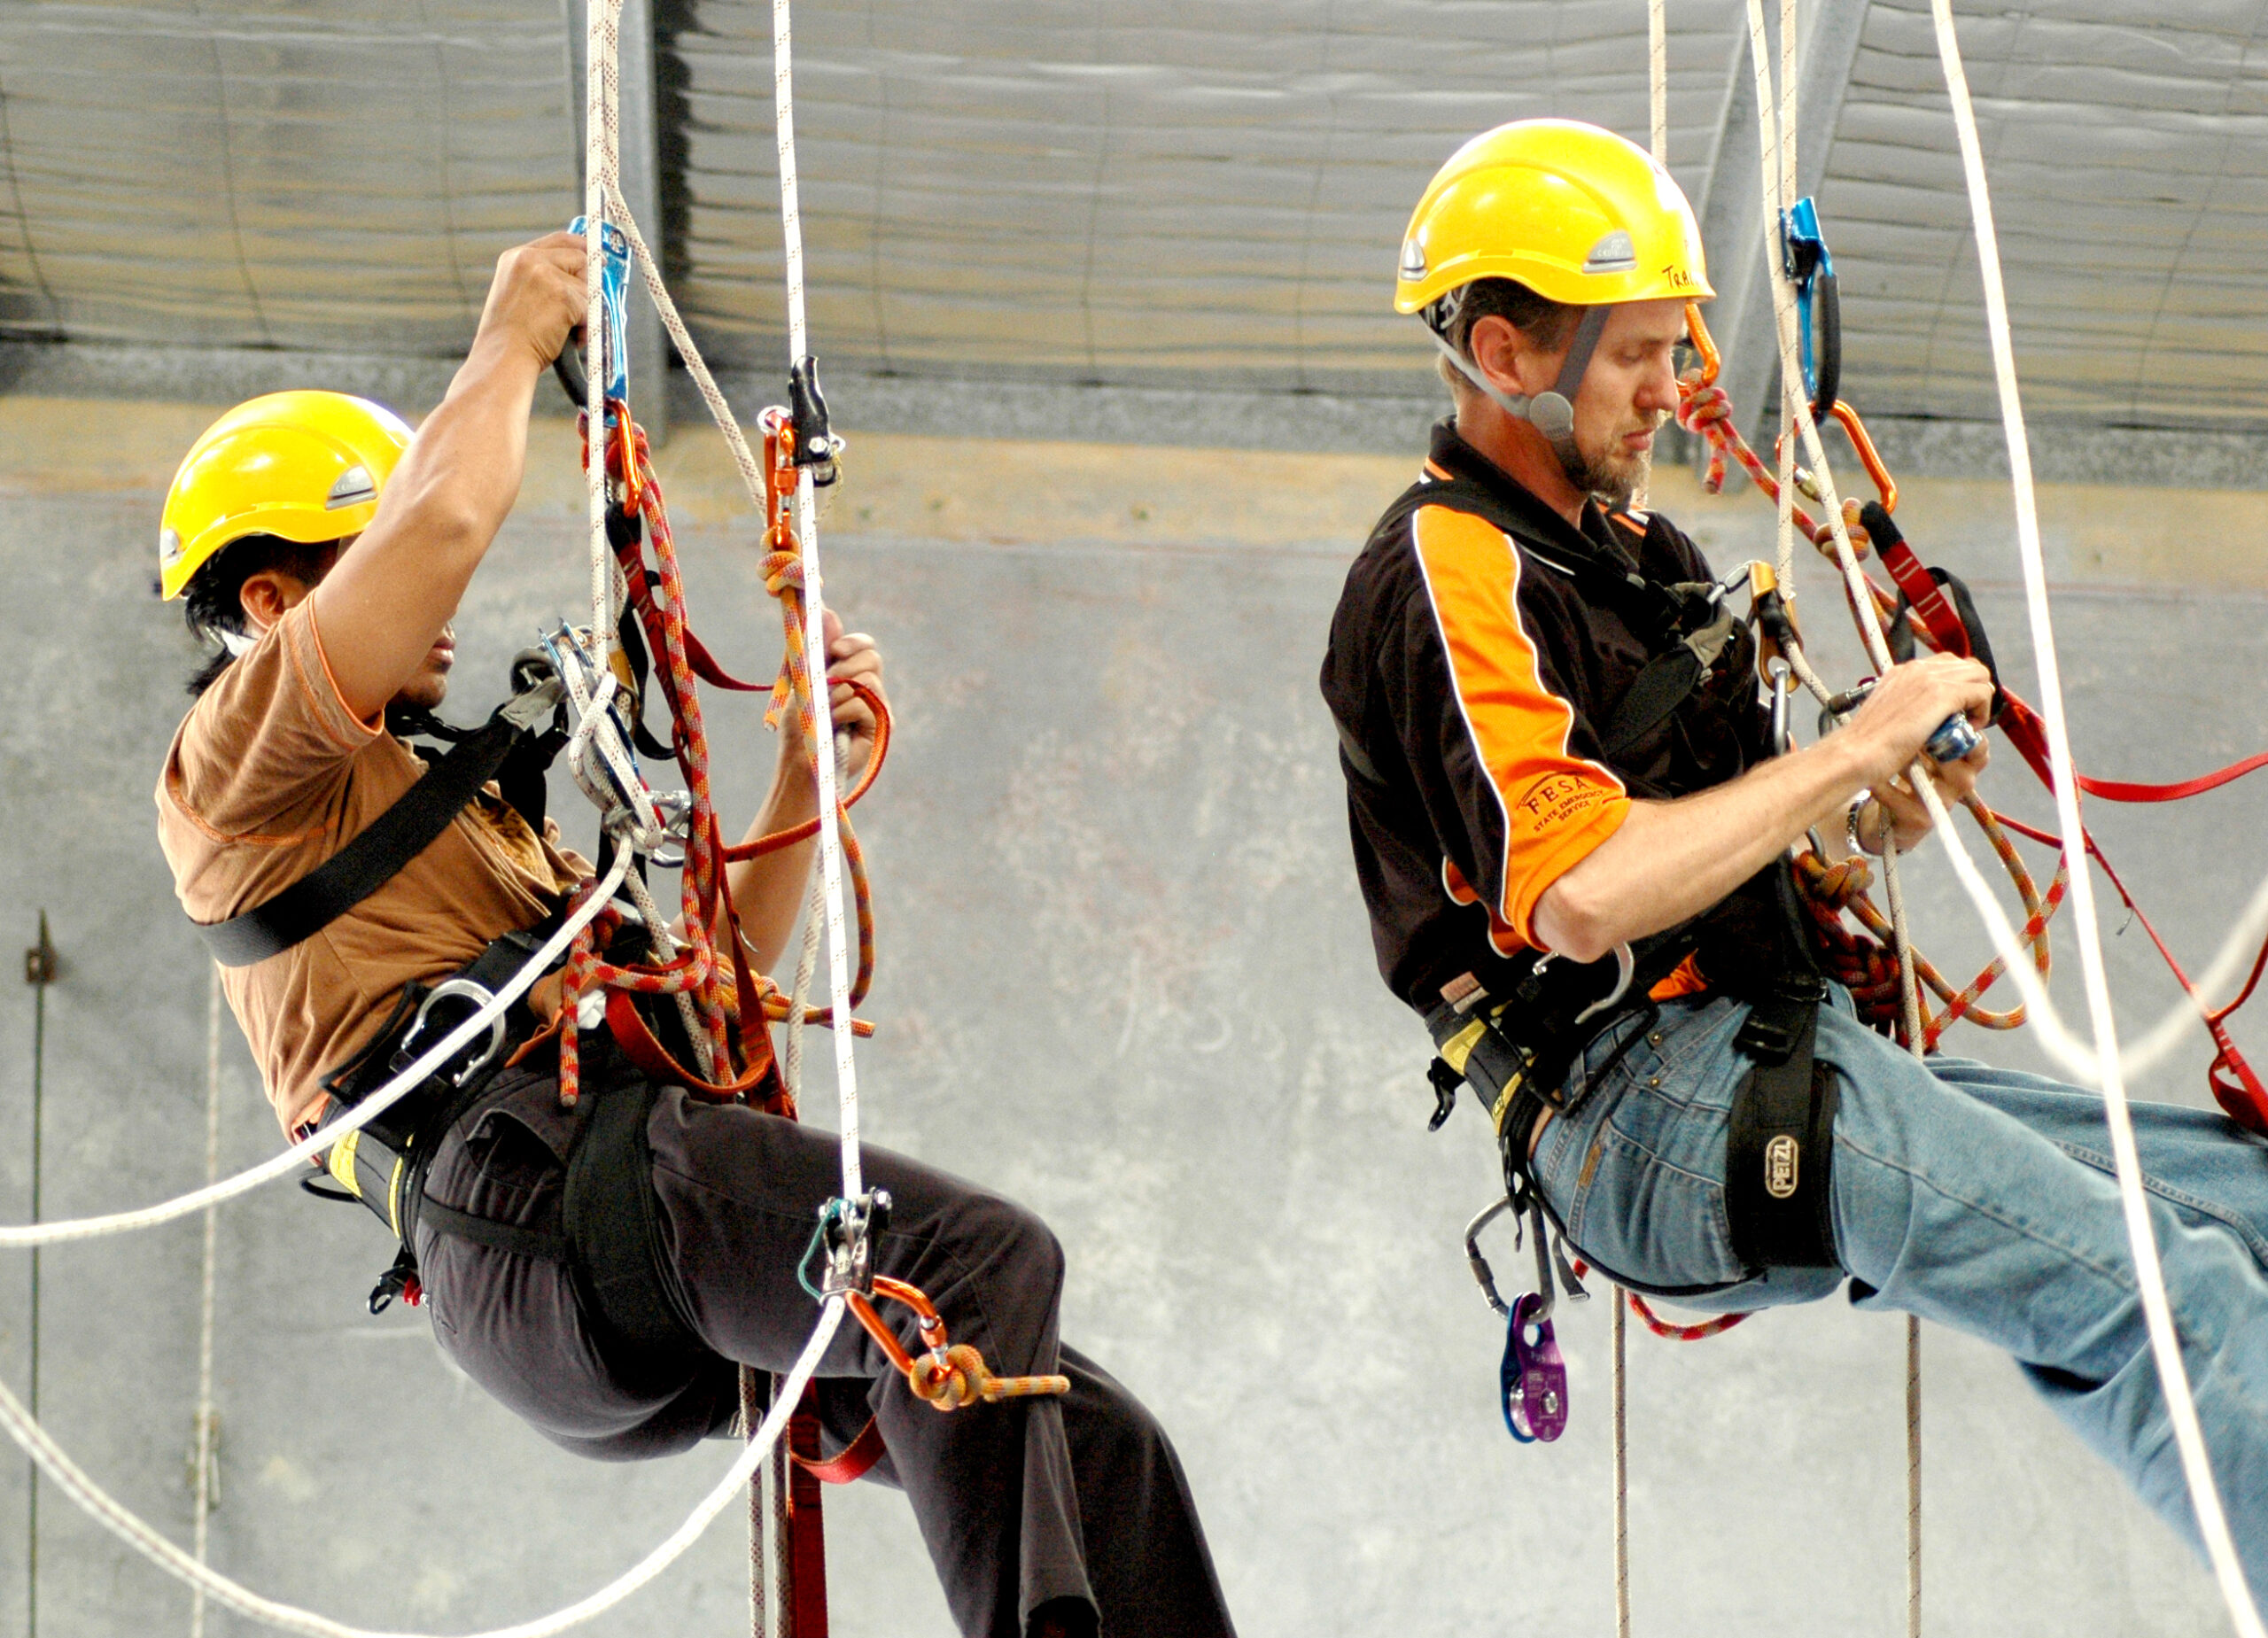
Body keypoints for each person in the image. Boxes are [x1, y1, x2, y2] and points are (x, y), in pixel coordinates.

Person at [154, 230, 1237, 1638]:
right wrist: (507, 342)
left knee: (1092, 1435)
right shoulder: (238, 771)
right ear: (274, 599)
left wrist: (797, 773)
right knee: (978, 1261)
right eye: (356, 564)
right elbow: (438, 526)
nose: (438, 612)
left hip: (591, 1224)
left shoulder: (455, 820)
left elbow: (713, 1007)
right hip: (538, 1210)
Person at [1320, 119, 2268, 1588]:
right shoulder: (1449, 567)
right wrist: (1849, 747)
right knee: (2167, 1288)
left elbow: (1753, 835)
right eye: (1635, 351)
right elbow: (1579, 897)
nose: (1676, 382)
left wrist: (1877, 804)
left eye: (1675, 341)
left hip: (1757, 1042)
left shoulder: (1647, 564)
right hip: (1633, 1104)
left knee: (2249, 1212)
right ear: (1506, 356)